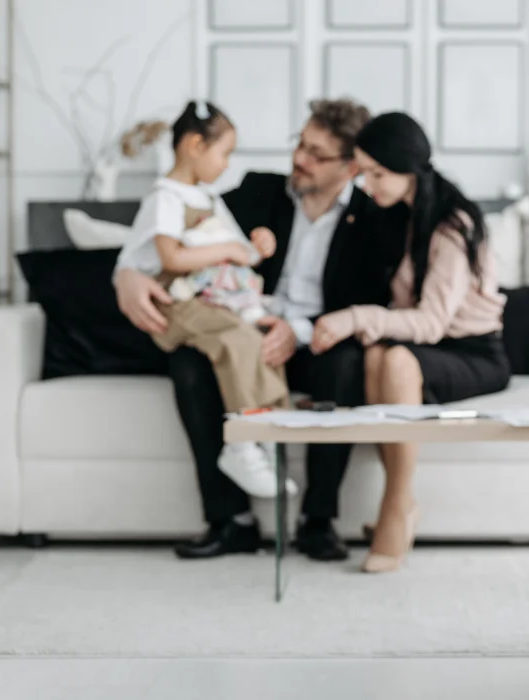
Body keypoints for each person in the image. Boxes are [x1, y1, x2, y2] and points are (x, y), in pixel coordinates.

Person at [115, 99, 406, 562]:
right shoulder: (257, 191)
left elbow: (369, 302)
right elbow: (178, 232)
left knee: (345, 364)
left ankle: (317, 520)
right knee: (189, 360)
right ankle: (230, 520)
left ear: (351, 167)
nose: (299, 159)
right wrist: (126, 275)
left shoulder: (373, 221)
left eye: (317, 153)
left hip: (316, 336)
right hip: (244, 322)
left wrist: (298, 330)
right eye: (300, 144)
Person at [311, 113, 510, 574]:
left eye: (378, 174)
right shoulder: (399, 215)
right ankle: (402, 505)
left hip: (475, 351)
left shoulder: (452, 226)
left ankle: (395, 506)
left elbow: (432, 323)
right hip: (434, 349)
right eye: (363, 172)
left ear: (409, 169)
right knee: (376, 355)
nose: (368, 184)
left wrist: (353, 319)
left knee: (396, 359)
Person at [116, 100, 294, 501]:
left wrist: (258, 245)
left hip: (211, 299)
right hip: (175, 301)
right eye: (224, 153)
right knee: (237, 340)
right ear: (195, 145)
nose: (227, 164)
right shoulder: (166, 197)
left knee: (263, 344)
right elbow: (172, 257)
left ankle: (265, 434)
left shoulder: (208, 198)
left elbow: (240, 251)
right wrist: (227, 251)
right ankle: (241, 444)